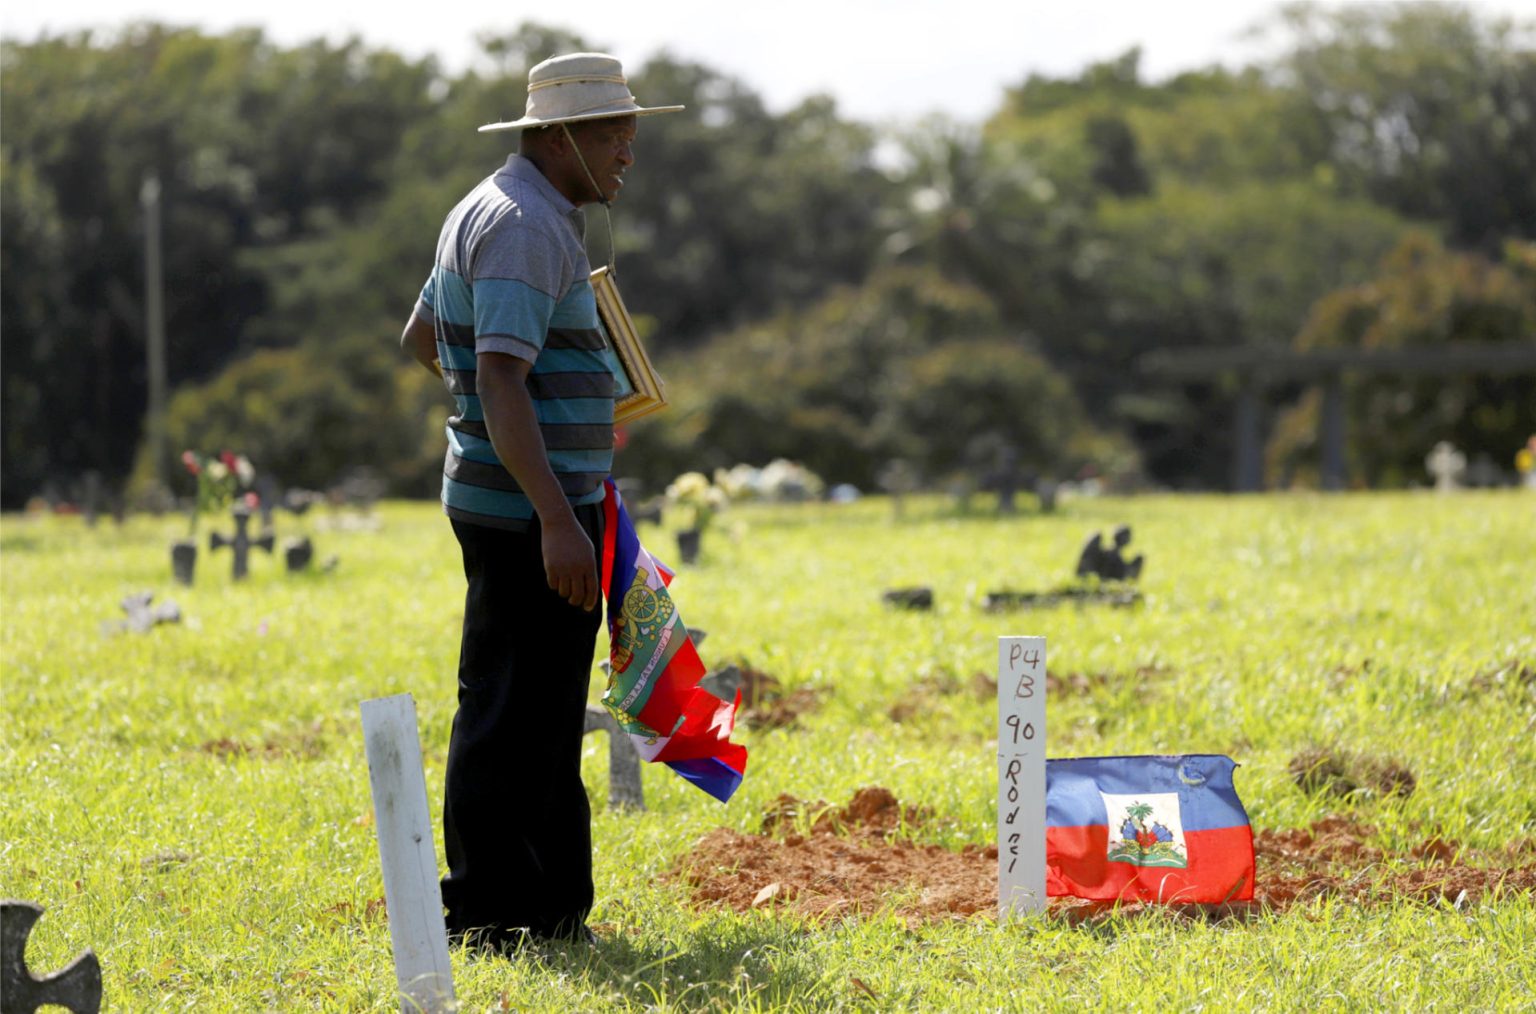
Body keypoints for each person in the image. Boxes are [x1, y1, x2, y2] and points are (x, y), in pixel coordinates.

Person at [398, 52, 683, 951]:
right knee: (520, 712)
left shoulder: (494, 206)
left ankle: (539, 911)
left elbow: (422, 337)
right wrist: (556, 515)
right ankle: (499, 916)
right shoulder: (527, 226)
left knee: (529, 704)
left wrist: (489, 427)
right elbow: (495, 373)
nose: (628, 148)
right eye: (612, 132)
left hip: (512, 500)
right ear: (559, 137)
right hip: (535, 517)